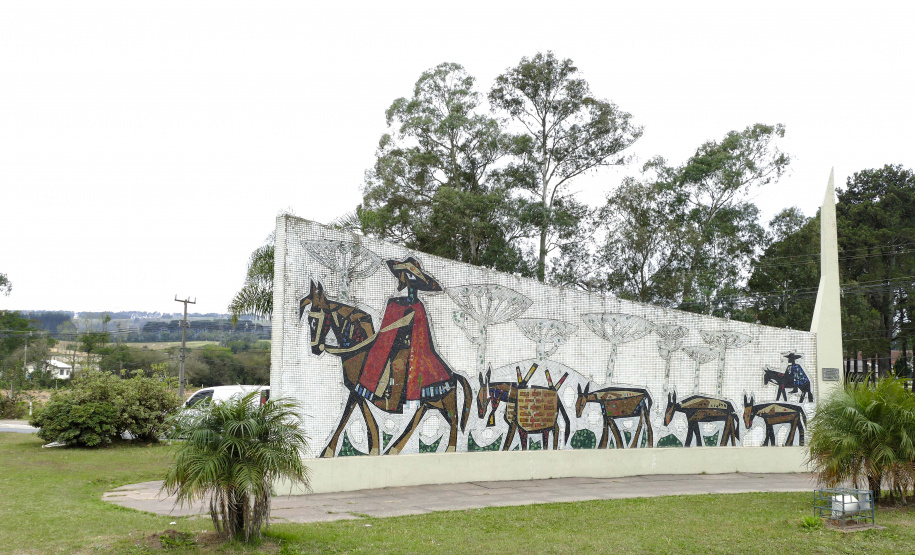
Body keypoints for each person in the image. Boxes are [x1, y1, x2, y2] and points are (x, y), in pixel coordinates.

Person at [355, 257, 453, 404]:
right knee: (377, 357)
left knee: (398, 364)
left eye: (402, 274)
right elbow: (385, 332)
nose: (399, 278)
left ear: (408, 278)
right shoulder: (393, 304)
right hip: (391, 345)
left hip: (410, 347)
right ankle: (378, 391)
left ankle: (396, 399)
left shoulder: (417, 306)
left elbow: (419, 334)